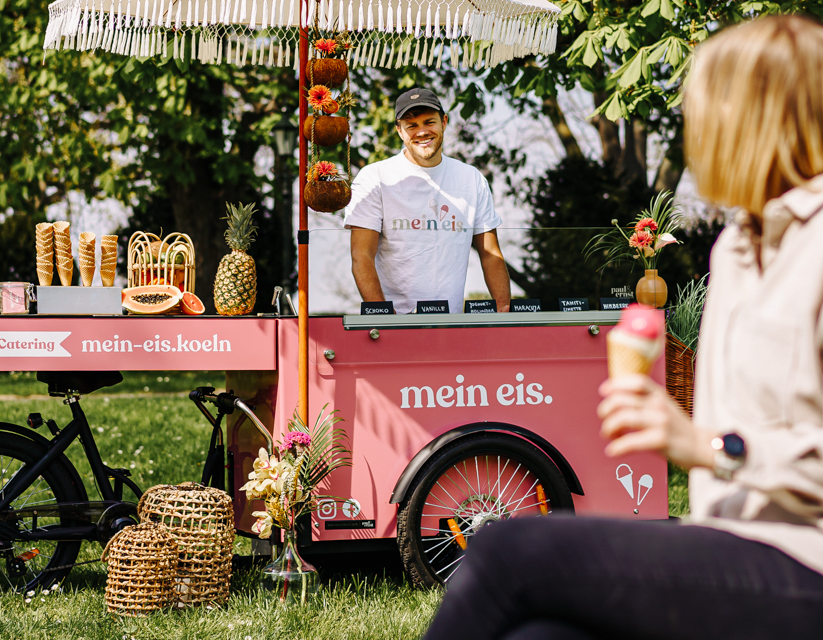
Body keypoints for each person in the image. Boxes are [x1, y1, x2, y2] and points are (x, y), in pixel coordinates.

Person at [422, 15, 823, 640]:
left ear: (755, 121)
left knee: (506, 552)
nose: (696, 137)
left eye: (705, 113)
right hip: (728, 546)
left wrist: (711, 448)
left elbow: (737, 447)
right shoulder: (739, 247)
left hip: (806, 564)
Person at [344, 88, 512, 314]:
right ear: (399, 131)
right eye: (411, 125)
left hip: (452, 327)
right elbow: (361, 256)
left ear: (444, 121)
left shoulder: (471, 178)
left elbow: (491, 254)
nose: (421, 131)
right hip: (396, 325)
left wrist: (503, 311)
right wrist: (385, 318)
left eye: (429, 122)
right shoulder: (375, 178)